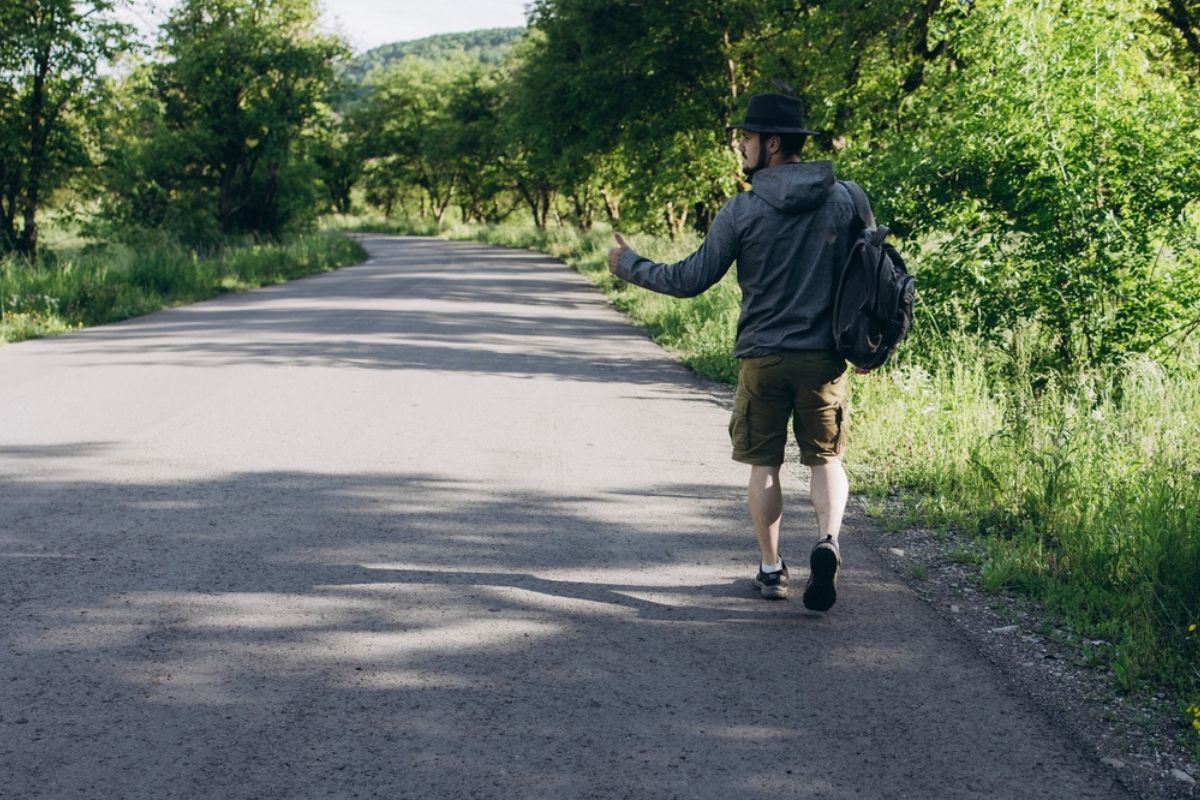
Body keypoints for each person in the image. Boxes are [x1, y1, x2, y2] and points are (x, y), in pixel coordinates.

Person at [607, 93, 870, 612]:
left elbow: (689, 280)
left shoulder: (743, 210)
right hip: (823, 359)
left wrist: (628, 264)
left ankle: (771, 571)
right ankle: (828, 542)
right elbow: (869, 278)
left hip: (763, 359)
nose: (742, 147)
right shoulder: (847, 199)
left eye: (747, 138)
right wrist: (871, 346)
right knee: (826, 460)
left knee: (765, 465)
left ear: (772, 144)